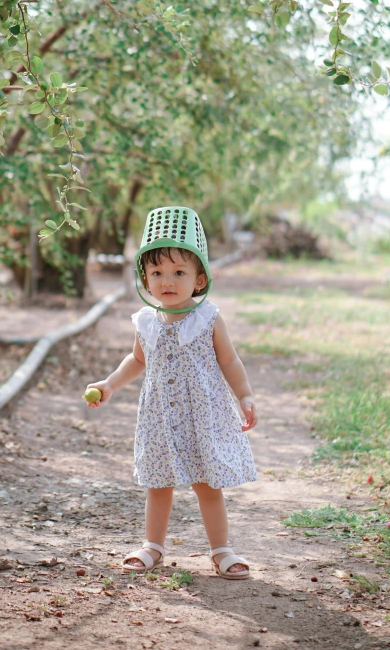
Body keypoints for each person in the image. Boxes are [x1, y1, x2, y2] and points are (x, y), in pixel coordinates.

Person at [84, 206, 258, 579]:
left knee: (207, 484)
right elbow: (136, 359)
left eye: (179, 272)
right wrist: (109, 384)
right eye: (157, 272)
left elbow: (229, 361)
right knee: (158, 483)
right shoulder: (147, 320)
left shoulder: (208, 317)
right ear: (145, 279)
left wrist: (243, 394)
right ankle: (153, 546)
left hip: (202, 414)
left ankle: (221, 549)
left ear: (198, 279)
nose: (167, 280)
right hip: (160, 415)